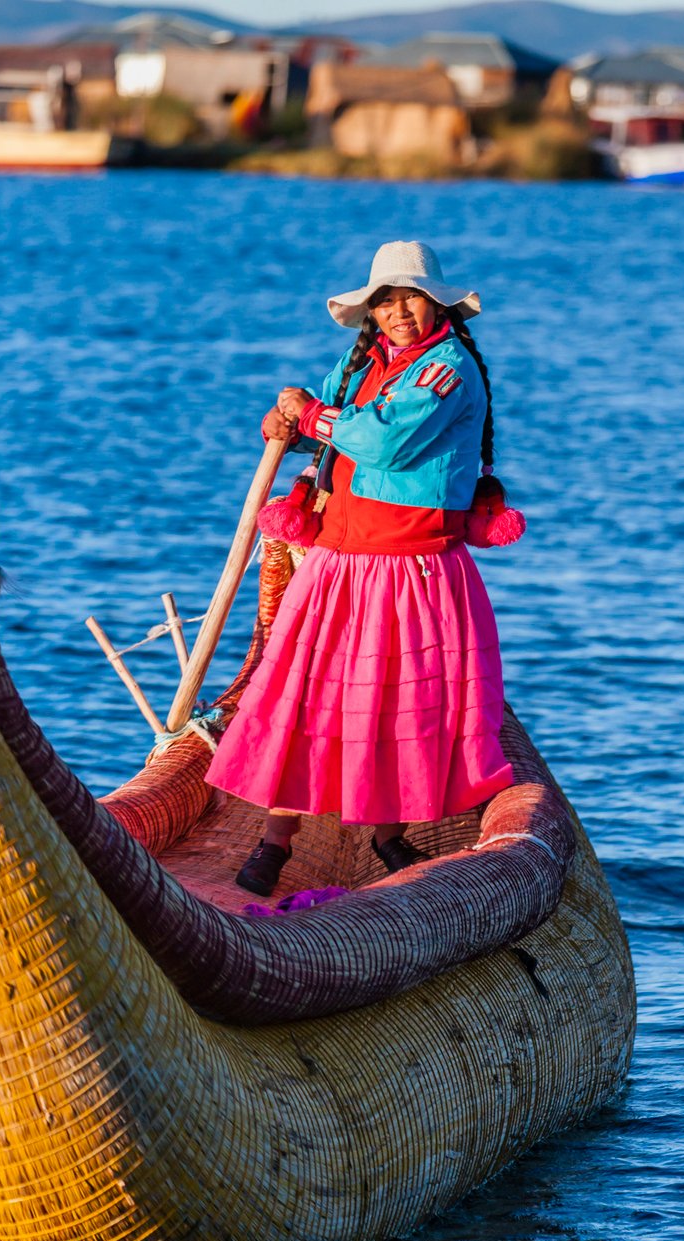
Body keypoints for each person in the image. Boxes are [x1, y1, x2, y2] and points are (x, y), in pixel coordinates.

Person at [204, 240, 522, 897]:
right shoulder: (361, 362)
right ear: (370, 312)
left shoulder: (446, 370)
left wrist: (312, 415)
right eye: (385, 300)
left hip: (408, 569)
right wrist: (286, 421)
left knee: (397, 704)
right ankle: (274, 841)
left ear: (437, 305)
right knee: (301, 696)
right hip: (338, 562)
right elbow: (326, 415)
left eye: (411, 297)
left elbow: (382, 441)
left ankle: (387, 837)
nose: (399, 311)